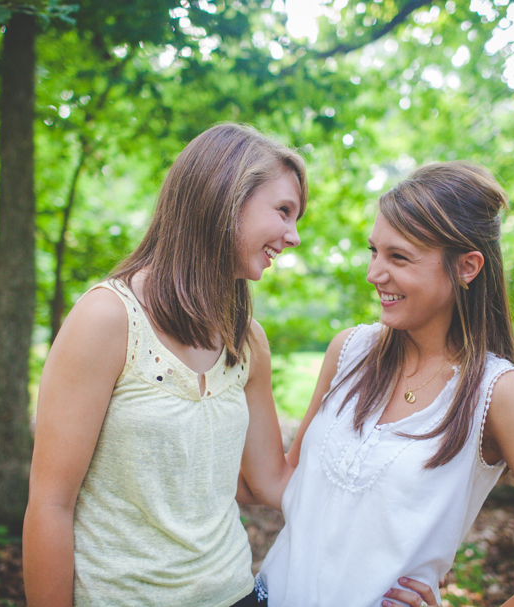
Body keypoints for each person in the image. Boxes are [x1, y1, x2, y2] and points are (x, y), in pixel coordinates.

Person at [254, 162, 514, 607]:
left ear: (467, 267)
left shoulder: (494, 393)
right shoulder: (348, 351)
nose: (374, 274)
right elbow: (286, 483)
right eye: (374, 251)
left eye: (398, 257)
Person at [22, 123, 304, 607]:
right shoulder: (108, 318)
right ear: (225, 196)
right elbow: (51, 505)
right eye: (283, 211)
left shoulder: (247, 341)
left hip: (235, 594)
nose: (293, 236)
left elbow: (271, 482)